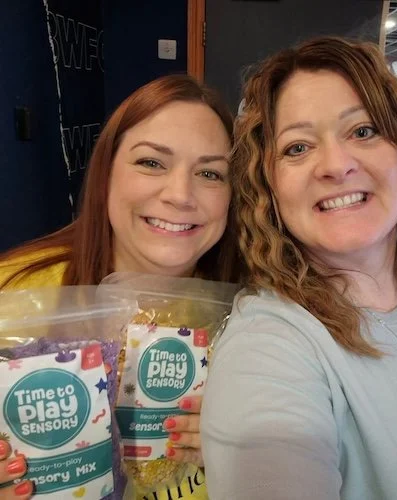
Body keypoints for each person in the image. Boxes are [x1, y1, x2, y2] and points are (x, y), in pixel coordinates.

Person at [201, 36, 397, 499]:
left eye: (362, 131)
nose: (336, 165)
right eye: (297, 148)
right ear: (268, 184)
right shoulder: (267, 348)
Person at [0, 74, 240, 500]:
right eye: (151, 162)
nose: (181, 195)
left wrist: (244, 448)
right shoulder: (14, 293)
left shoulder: (249, 315)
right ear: (106, 171)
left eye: (209, 172)